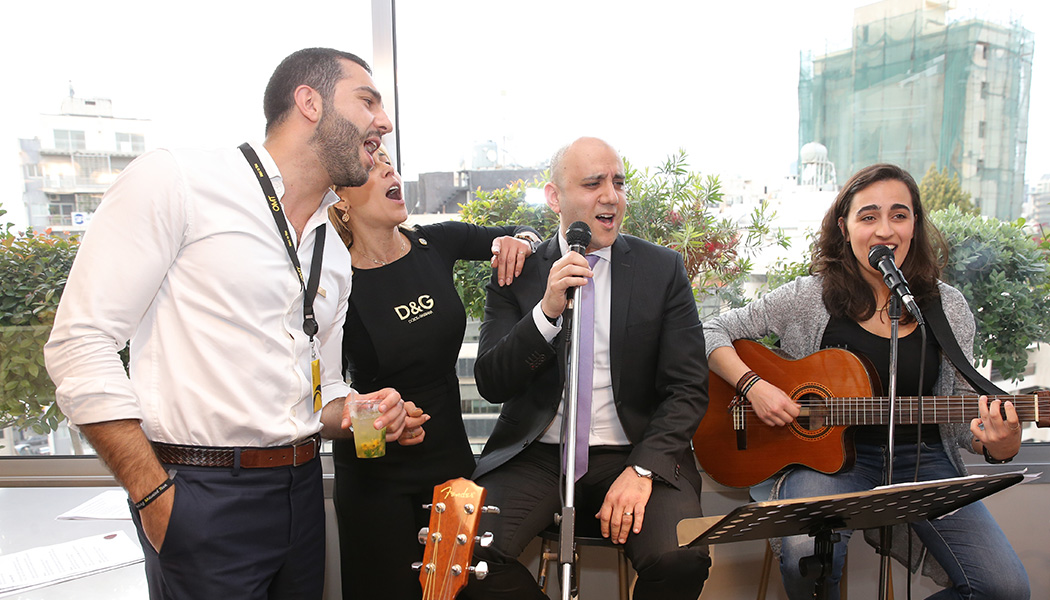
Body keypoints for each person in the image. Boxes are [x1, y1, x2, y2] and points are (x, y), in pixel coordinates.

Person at [44, 48, 424, 600]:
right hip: (199, 495)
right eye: (367, 101)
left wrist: (362, 411)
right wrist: (154, 498)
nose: (383, 122)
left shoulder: (333, 250)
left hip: (301, 493)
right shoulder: (177, 181)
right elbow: (80, 344)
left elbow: (323, 393)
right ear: (310, 102)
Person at [704, 163, 1029, 599]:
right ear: (844, 227)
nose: (885, 230)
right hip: (826, 463)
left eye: (899, 215)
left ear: (915, 224)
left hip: (923, 459)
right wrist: (753, 386)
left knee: (1005, 589)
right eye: (868, 216)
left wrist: (999, 445)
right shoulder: (808, 296)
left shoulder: (946, 306)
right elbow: (708, 330)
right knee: (805, 555)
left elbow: (963, 418)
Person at [460, 137, 712, 600]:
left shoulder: (662, 269)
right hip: (537, 455)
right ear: (554, 197)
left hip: (635, 450)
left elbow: (688, 388)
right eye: (593, 183)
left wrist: (643, 470)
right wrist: (546, 313)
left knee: (680, 558)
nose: (611, 196)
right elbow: (492, 383)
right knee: (468, 558)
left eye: (618, 183)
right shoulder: (518, 271)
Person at [327, 144, 540, 599]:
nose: (391, 172)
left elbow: (523, 232)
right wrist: (381, 418)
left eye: (391, 164)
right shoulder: (333, 279)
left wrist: (520, 241)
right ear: (341, 197)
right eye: (374, 167)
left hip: (449, 463)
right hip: (373, 474)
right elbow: (324, 388)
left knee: (468, 588)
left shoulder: (436, 242)